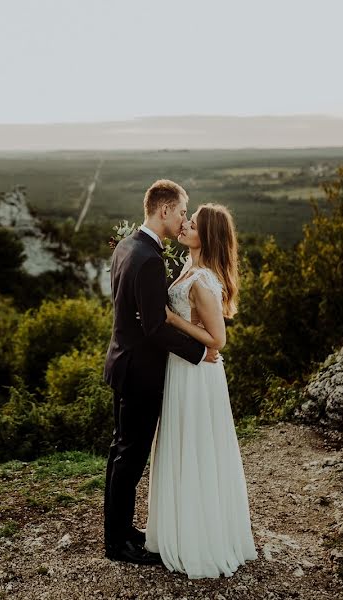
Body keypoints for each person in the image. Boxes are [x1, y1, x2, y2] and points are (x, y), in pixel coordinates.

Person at [103, 179, 217, 565]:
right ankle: (118, 543)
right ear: (164, 210)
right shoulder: (149, 258)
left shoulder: (127, 246)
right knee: (129, 457)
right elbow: (154, 326)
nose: (184, 218)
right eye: (183, 211)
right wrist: (199, 352)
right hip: (139, 371)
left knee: (121, 452)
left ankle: (118, 532)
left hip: (122, 361)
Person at [144, 203, 258, 578]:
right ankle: (177, 528)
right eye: (186, 221)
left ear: (206, 236)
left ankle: (200, 537)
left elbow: (218, 340)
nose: (185, 226)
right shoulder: (187, 268)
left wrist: (174, 320)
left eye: (191, 224)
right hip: (181, 368)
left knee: (195, 447)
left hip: (197, 375)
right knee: (180, 444)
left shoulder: (204, 281)